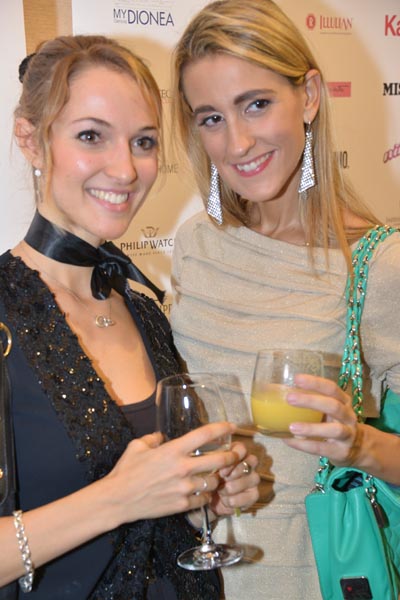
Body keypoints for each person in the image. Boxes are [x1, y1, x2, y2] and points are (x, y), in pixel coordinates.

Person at [0, 34, 260, 599]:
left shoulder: (143, 307)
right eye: (91, 136)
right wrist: (118, 499)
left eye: (143, 141)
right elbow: (122, 498)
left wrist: (201, 497)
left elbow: (156, 515)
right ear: (30, 140)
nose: (125, 169)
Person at [170, 1, 400, 598]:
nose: (237, 141)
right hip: (192, 575)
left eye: (256, 104)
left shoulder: (378, 263)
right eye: (211, 118)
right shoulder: (195, 245)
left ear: (310, 97)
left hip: (311, 576)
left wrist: (359, 445)